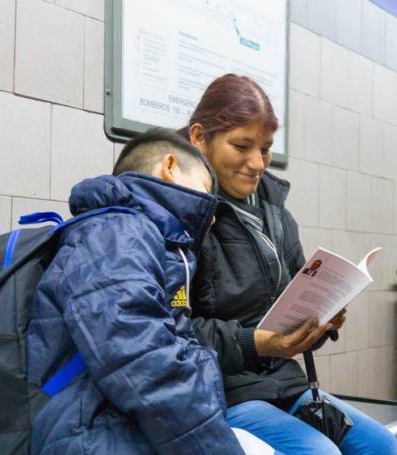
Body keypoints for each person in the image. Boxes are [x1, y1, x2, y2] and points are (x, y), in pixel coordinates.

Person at [184, 74, 397, 454]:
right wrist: (256, 343)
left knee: (381, 446)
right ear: (199, 137)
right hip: (224, 390)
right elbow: (174, 330)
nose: (257, 163)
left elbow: (295, 291)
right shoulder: (185, 215)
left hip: (285, 382)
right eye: (241, 146)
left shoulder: (275, 212)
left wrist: (321, 319)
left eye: (266, 149)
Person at [26, 128, 246, 454]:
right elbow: (145, 359)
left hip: (119, 425)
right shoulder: (116, 232)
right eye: (205, 190)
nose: (211, 218)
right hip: (94, 434)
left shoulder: (147, 240)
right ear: (169, 167)